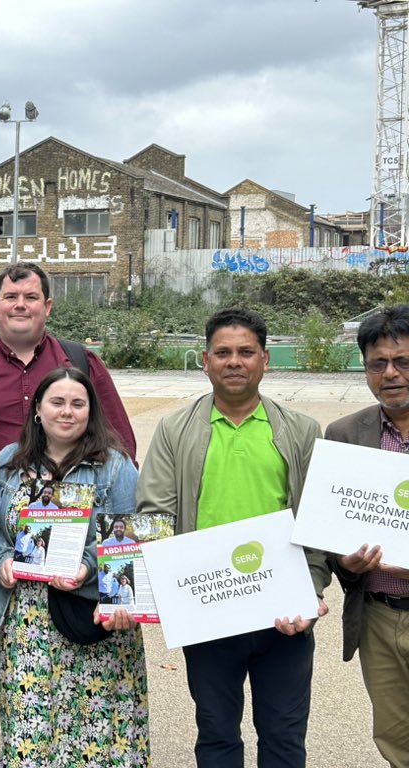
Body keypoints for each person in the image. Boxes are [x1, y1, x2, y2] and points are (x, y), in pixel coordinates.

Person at [136, 307, 330, 768]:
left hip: (284, 614)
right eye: (222, 353)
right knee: (217, 734)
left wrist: (311, 593)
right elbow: (154, 514)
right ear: (204, 361)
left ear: (266, 359)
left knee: (284, 737)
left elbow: (316, 520)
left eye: (246, 352)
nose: (234, 361)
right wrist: (172, 593)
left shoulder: (301, 431)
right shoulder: (174, 429)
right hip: (209, 610)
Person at [0, 261, 136, 678]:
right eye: (11, 297)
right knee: (6, 661)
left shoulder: (82, 361)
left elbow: (121, 443)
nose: (20, 305)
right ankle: (22, 741)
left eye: (30, 297)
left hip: (82, 540)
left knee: (90, 660)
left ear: (47, 305)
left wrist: (110, 565)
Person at [0, 366, 148, 767]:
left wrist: (88, 566)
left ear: (91, 411)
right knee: (31, 734)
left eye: (77, 403)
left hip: (90, 617)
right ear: (38, 409)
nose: (66, 412)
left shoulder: (115, 467)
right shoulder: (8, 464)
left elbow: (132, 536)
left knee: (101, 736)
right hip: (25, 623)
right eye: (57, 402)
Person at [324, 305, 409, 767]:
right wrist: (345, 562)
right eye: (378, 364)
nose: (391, 374)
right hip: (378, 617)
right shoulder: (344, 435)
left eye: (403, 362)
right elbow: (331, 529)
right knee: (395, 739)